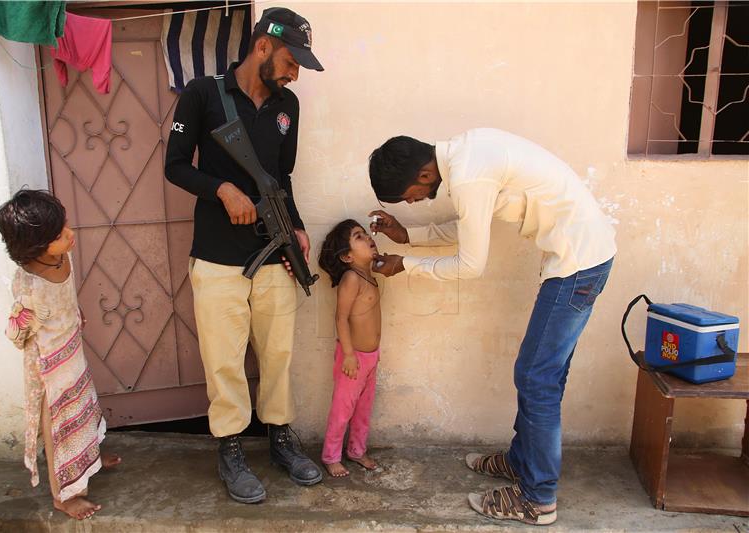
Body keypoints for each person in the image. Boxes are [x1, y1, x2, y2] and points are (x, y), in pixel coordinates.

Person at [368, 129, 616, 526]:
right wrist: (408, 236)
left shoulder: (468, 176)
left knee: (537, 377)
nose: (411, 202)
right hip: (580, 258)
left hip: (579, 264)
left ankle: (538, 499)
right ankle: (522, 462)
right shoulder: (468, 157)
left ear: (425, 176)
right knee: (540, 374)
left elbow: (470, 265)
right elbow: (470, 226)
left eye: (408, 195)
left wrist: (406, 265)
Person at [164, 7, 324, 503]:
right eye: (291, 60)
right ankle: (230, 446)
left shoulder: (288, 107)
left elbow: (282, 176)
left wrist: (294, 226)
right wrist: (221, 191)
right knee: (225, 360)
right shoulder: (202, 95)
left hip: (272, 254)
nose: (295, 72)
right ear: (262, 47)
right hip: (215, 257)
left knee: (277, 354)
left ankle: (279, 437)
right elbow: (174, 167)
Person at [0, 189, 121, 520]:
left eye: (65, 226)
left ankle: (90, 456)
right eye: (60, 235)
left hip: (71, 349)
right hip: (50, 368)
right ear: (36, 247)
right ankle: (64, 495)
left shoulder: (62, 254)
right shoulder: (29, 287)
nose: (70, 235)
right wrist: (24, 318)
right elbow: (16, 333)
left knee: (85, 403)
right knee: (60, 430)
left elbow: (64, 295)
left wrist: (75, 313)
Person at [317, 220, 382, 477]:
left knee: (363, 408)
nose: (367, 238)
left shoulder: (369, 273)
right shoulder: (351, 278)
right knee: (343, 409)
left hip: (371, 357)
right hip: (353, 359)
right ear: (346, 255)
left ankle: (356, 450)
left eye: (366, 234)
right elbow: (341, 318)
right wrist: (348, 354)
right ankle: (331, 456)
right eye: (359, 236)